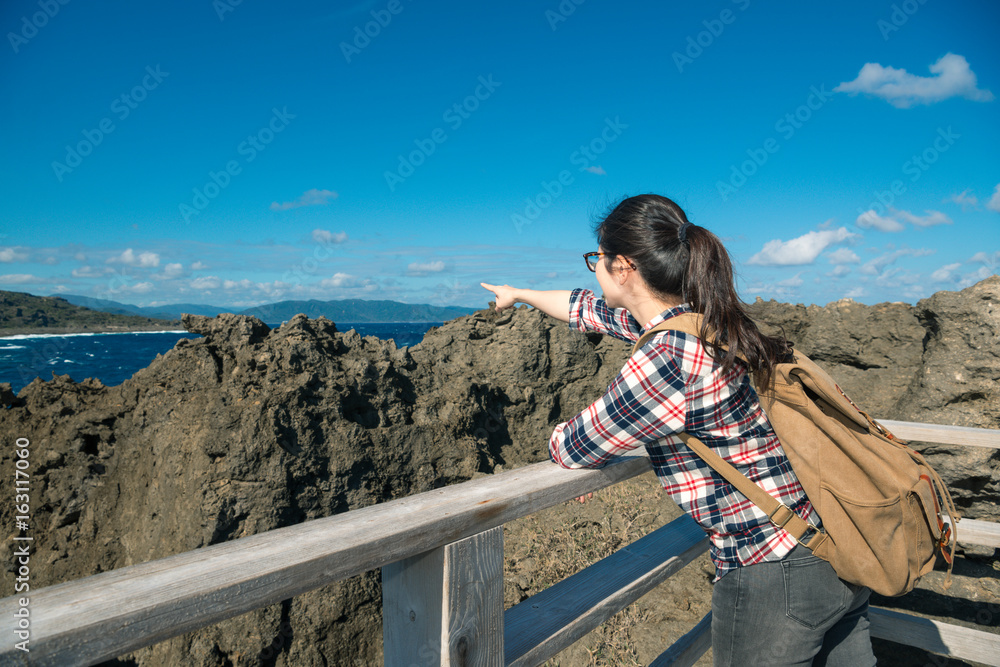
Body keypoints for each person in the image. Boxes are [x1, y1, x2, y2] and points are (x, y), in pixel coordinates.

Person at [481, 194, 875, 667]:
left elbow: (575, 446)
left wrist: (590, 447)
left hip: (772, 568)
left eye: (596, 260)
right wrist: (519, 293)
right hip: (833, 545)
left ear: (623, 267)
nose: (594, 270)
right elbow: (585, 309)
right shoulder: (711, 324)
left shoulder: (668, 355)